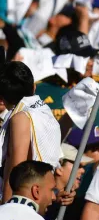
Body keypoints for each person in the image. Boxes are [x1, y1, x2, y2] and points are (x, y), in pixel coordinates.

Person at [0, 60, 62, 201]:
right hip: (41, 193)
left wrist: (7, 207)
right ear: (34, 88)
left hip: (24, 199)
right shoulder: (45, 113)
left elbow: (16, 169)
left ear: (3, 99)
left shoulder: (21, 117)